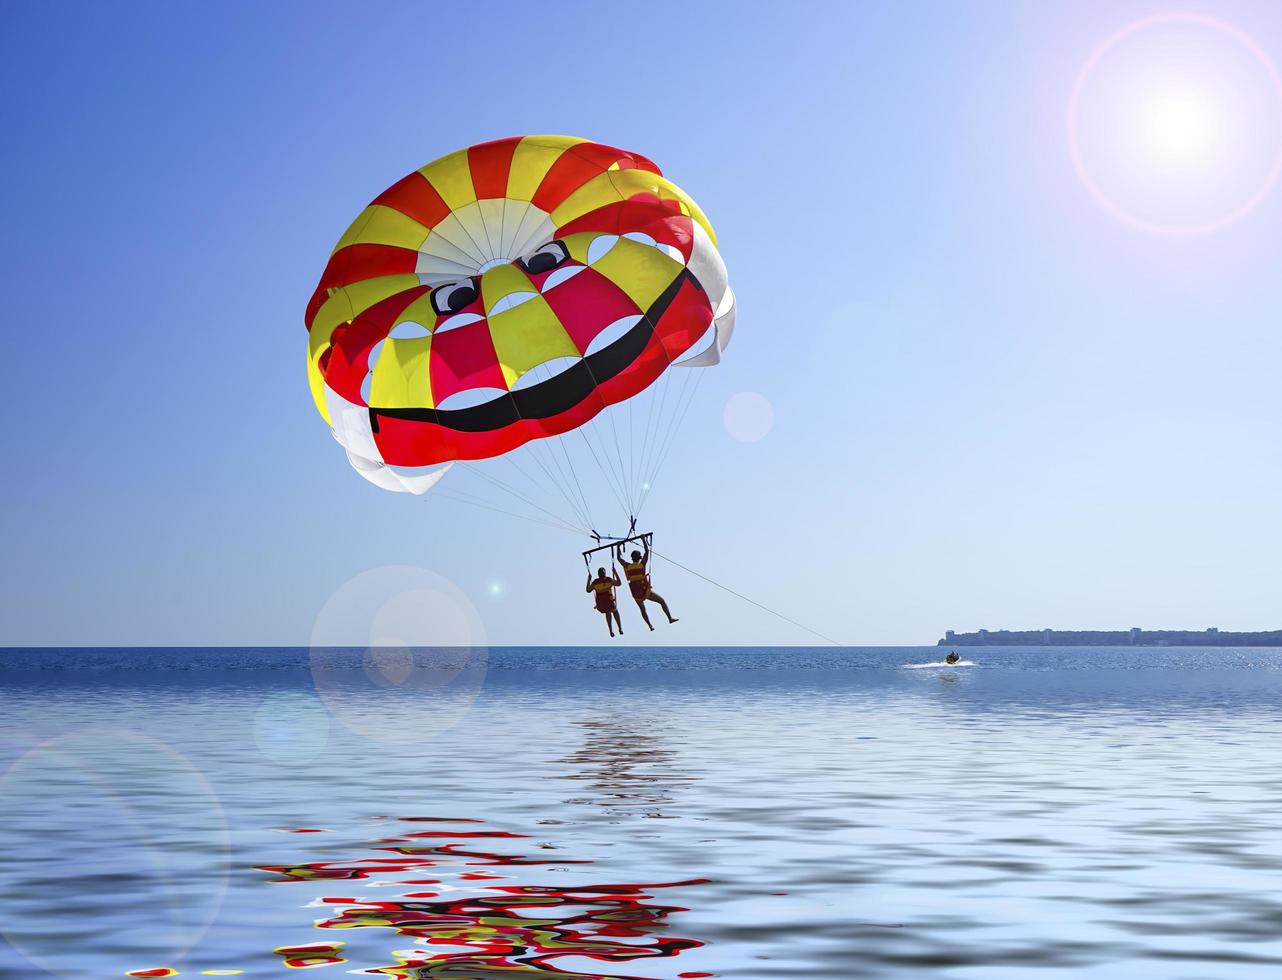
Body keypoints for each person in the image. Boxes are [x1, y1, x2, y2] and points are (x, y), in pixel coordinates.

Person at [615, 539, 677, 630]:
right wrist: (643, 539)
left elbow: (619, 558)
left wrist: (618, 546)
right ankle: (670, 618)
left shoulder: (627, 566)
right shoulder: (642, 565)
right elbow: (646, 552)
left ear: (632, 558)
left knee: (642, 609)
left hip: (636, 593)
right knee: (662, 601)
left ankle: (650, 626)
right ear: (639, 558)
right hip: (645, 591)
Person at [586, 565, 623, 637]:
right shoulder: (609, 580)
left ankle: (611, 630)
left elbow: (588, 590)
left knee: (608, 613)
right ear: (605, 573)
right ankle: (620, 628)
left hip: (601, 605)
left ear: (598, 574)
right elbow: (619, 583)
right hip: (610, 603)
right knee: (615, 611)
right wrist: (615, 573)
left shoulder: (595, 582)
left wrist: (588, 579)